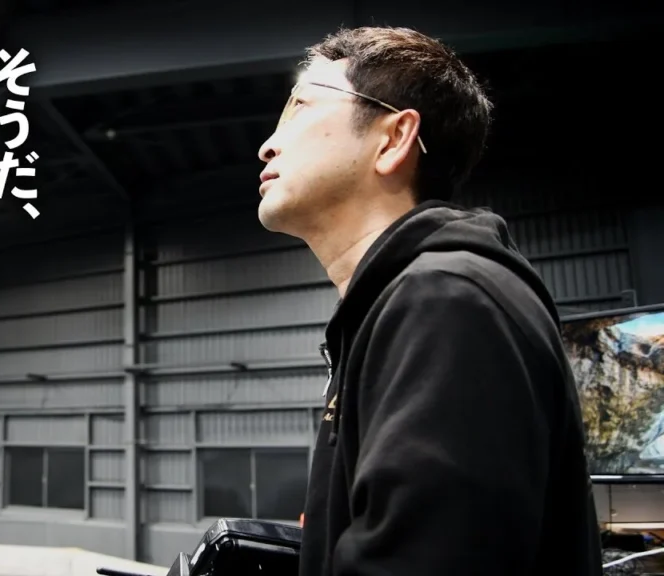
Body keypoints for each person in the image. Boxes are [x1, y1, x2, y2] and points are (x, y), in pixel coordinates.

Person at [256, 26, 603, 576]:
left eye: (299, 107)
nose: (268, 145)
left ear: (394, 139)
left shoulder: (446, 300)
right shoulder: (404, 303)